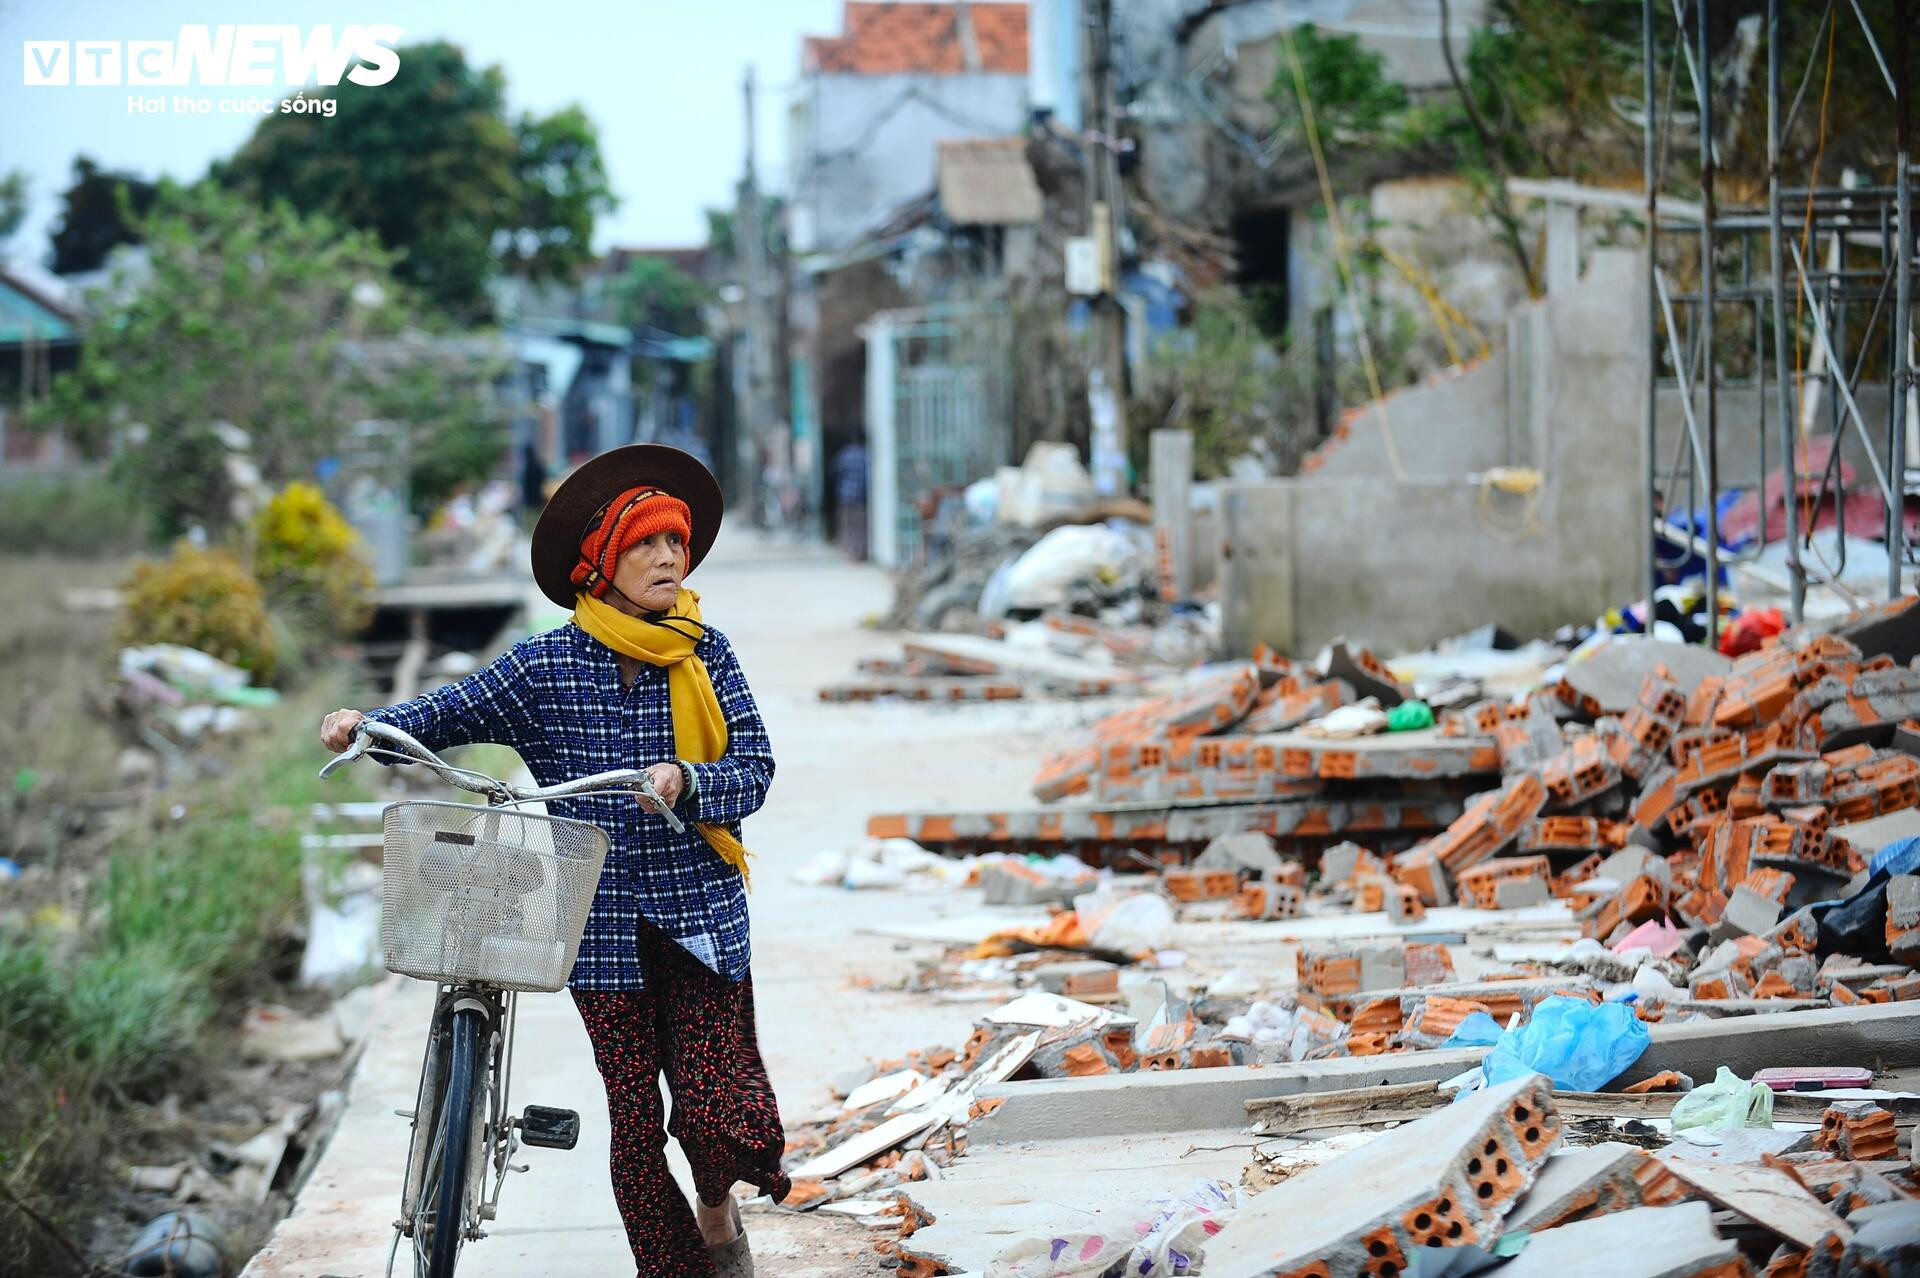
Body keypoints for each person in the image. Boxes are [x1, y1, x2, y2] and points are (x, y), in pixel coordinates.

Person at [319, 445, 784, 1278]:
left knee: (719, 1115)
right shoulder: (546, 666)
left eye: (676, 543)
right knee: (635, 1126)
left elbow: (754, 767)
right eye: (646, 544)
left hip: (702, 917)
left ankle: (718, 1206)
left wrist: (690, 780)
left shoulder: (706, 653)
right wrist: (371, 722)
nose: (668, 558)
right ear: (602, 562)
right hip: (599, 929)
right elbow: (450, 708)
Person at [833, 436, 869, 561]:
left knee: (847, 524)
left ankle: (847, 551)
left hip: (845, 494)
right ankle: (858, 553)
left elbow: (835, 470)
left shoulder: (845, 454)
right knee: (860, 526)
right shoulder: (865, 455)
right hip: (860, 496)